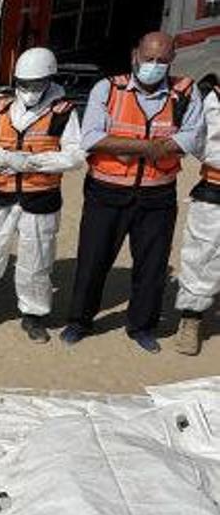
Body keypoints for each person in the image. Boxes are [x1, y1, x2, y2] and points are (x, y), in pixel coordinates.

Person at [61, 32, 205, 353]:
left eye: (162, 60)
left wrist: (129, 149)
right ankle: (80, 321)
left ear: (172, 61)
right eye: (149, 58)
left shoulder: (184, 93)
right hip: (106, 192)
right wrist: (150, 148)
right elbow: (92, 138)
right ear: (134, 55)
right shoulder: (108, 89)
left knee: (152, 265)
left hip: (158, 196)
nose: (154, 66)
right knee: (93, 259)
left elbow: (192, 139)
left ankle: (141, 326)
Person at [0, 47, 84, 342]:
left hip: (41, 197)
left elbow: (75, 156)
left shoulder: (63, 112)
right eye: (24, 84)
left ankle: (33, 316)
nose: (29, 92)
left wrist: (32, 161)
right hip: (0, 195)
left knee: (37, 259)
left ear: (49, 80)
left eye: (36, 85)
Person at [174, 73, 220, 356]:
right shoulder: (211, 98)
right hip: (215, 190)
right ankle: (191, 319)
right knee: (201, 256)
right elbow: (202, 145)